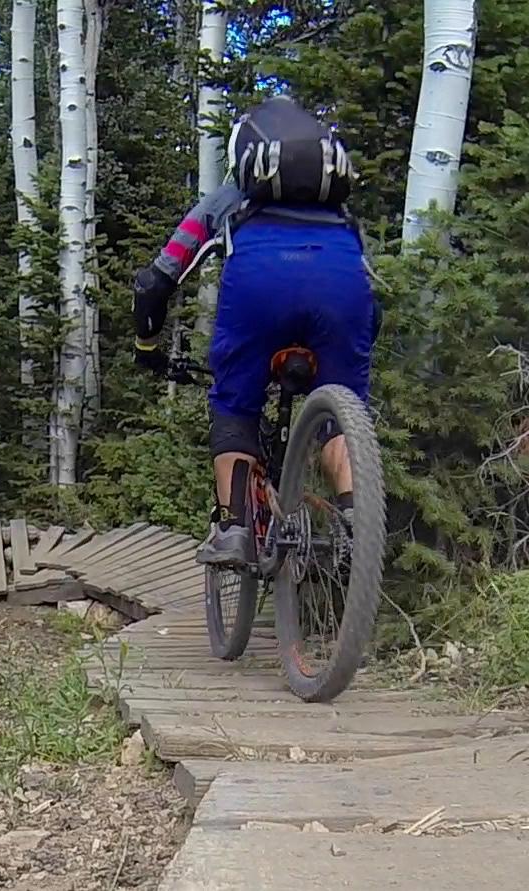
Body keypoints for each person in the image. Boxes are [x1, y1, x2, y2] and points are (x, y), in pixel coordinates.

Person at [131, 96, 377, 567]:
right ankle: (355, 528)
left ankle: (235, 527)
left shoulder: (226, 201)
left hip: (258, 293)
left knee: (234, 404)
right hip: (341, 294)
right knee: (342, 414)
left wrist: (147, 345)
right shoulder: (341, 213)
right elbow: (370, 297)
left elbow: (155, 282)